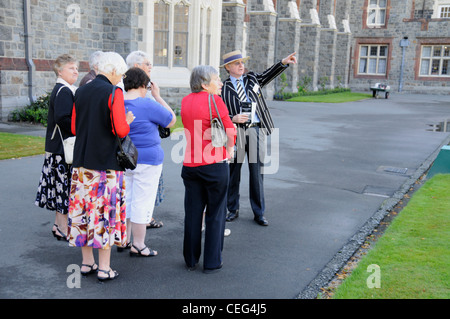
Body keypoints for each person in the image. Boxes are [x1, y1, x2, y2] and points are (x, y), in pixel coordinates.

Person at [68, 52, 134, 282]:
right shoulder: (114, 92)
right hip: (106, 165)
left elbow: (75, 127)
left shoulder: (81, 90)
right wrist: (128, 120)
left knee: (85, 212)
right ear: (113, 70)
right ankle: (105, 269)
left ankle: (87, 263)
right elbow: (120, 129)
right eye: (122, 74)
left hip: (82, 164)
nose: (122, 79)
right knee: (105, 214)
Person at [221, 50, 297, 226]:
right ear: (228, 67)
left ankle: (259, 212)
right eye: (237, 63)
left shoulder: (252, 79)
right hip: (236, 132)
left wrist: (283, 62)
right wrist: (233, 117)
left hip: (255, 130)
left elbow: (268, 74)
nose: (241, 66)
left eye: (242, 62)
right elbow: (220, 111)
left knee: (257, 173)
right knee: (233, 172)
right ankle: (232, 209)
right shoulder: (223, 88)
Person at [181, 65, 236, 273]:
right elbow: (230, 131)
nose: (221, 83)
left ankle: (191, 259)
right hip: (214, 164)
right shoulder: (215, 100)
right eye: (217, 79)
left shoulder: (185, 101)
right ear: (204, 84)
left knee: (194, 213)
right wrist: (230, 150)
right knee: (216, 213)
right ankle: (212, 261)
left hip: (190, 165)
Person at [122, 67, 176, 257]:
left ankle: (124, 238)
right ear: (143, 85)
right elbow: (171, 120)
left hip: (124, 159)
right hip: (147, 159)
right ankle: (138, 244)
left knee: (126, 199)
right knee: (142, 202)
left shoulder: (117, 103)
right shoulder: (147, 104)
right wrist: (158, 96)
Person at [35, 54, 79, 241]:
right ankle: (62, 227)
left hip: (57, 148)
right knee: (63, 188)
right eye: (71, 68)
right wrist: (79, 130)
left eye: (76, 68)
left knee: (61, 186)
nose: (75, 71)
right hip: (62, 149)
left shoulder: (64, 88)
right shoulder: (64, 90)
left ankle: (57, 225)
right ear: (60, 71)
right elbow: (63, 118)